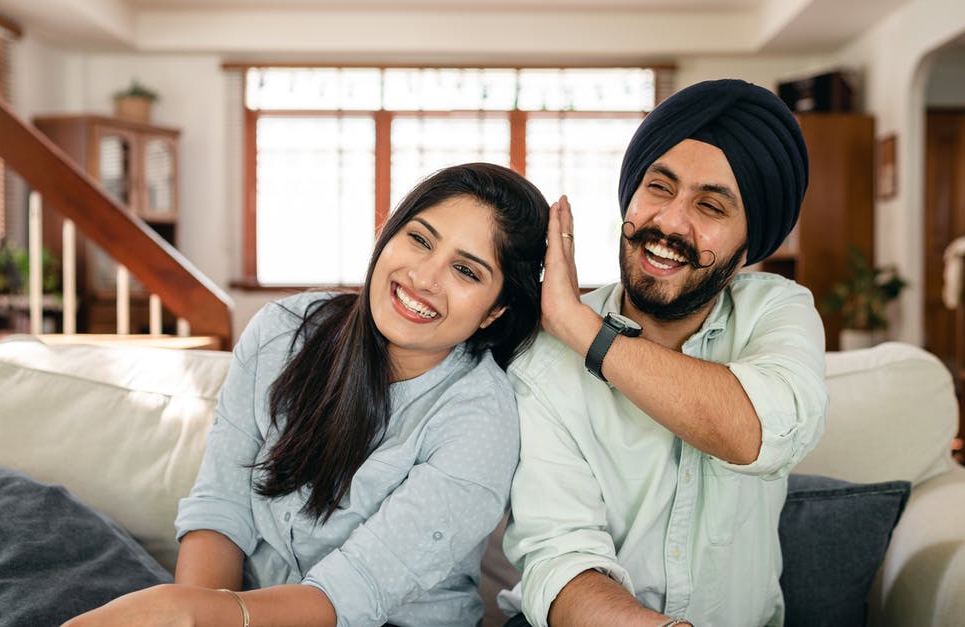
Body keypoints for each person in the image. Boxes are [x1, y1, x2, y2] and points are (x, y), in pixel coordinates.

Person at [61, 162, 550, 626]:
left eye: (466, 271)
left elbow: (354, 591)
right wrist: (197, 610)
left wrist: (202, 615)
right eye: (419, 239)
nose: (424, 278)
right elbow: (220, 507)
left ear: (494, 312)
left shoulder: (482, 419)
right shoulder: (284, 331)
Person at [500, 79, 829, 626]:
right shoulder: (544, 359)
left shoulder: (778, 310)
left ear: (748, 248)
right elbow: (560, 561)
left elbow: (761, 434)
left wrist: (585, 330)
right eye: (659, 187)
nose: (671, 222)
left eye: (711, 206)